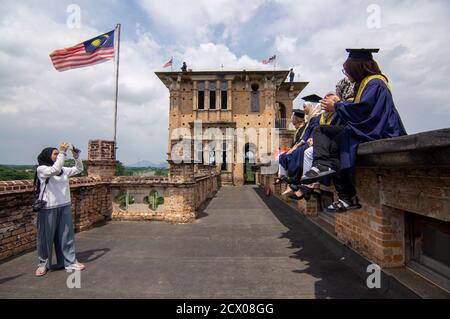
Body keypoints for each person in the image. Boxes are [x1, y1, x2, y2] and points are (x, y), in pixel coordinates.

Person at [301, 48, 407, 212]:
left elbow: (364, 110)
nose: (346, 74)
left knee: (329, 138)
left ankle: (336, 184)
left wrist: (337, 105)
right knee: (326, 138)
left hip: (377, 129)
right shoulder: (365, 84)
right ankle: (341, 190)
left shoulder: (375, 83)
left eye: (347, 70)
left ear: (357, 68)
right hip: (367, 127)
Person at [34, 143, 86, 277]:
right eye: (55, 153)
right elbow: (54, 171)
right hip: (48, 207)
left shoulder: (63, 169)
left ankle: (69, 261)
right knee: (46, 237)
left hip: (64, 205)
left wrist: (76, 156)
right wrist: (62, 152)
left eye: (58, 153)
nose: (58, 155)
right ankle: (43, 264)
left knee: (66, 236)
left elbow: (79, 169)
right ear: (47, 156)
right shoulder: (42, 169)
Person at [276, 95, 322, 189]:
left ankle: (296, 180)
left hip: (313, 143)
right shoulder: (311, 120)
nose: (304, 110)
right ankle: (291, 179)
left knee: (300, 152)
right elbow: (304, 137)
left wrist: (295, 147)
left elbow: (309, 135)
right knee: (286, 154)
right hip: (307, 143)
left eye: (305, 107)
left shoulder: (317, 118)